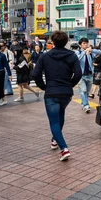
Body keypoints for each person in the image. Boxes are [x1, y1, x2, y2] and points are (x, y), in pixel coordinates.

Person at [33, 31, 82, 161]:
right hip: (66, 92)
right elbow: (78, 73)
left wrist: (43, 86)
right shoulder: (72, 55)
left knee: (54, 121)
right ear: (66, 42)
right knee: (60, 115)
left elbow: (36, 74)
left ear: (52, 42)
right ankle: (55, 139)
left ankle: (64, 148)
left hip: (51, 92)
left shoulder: (45, 56)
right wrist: (70, 84)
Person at [75, 37, 101, 113]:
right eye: (84, 43)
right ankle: (86, 105)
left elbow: (99, 52)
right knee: (83, 90)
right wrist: (84, 53)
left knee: (86, 91)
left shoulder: (90, 52)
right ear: (80, 45)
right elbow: (77, 59)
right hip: (81, 75)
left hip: (89, 74)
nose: (85, 45)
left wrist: (91, 50)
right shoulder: (78, 52)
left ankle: (83, 103)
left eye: (86, 43)